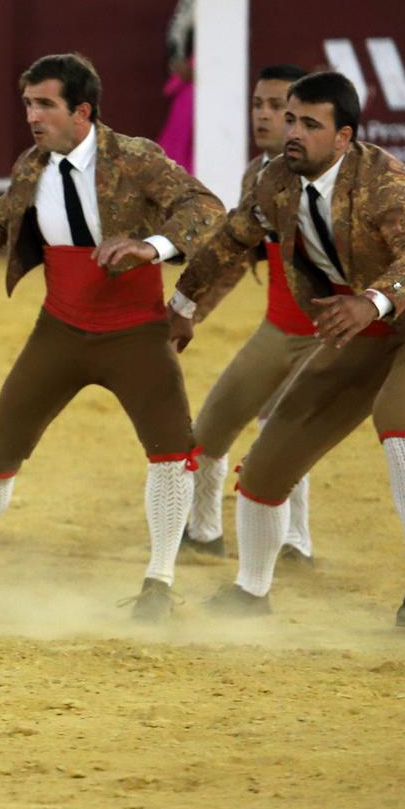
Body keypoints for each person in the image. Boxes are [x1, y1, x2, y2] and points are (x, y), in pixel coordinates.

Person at [0, 54, 223, 622]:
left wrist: (153, 247)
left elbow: (205, 208)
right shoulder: (32, 166)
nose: (32, 115)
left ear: (82, 111)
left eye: (44, 104)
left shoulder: (135, 157)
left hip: (135, 331)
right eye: (27, 103)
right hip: (61, 329)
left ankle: (159, 582)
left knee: (170, 451)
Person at [169, 72, 405, 629]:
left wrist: (372, 300)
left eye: (310, 124)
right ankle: (251, 591)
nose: (293, 132)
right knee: (267, 461)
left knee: (398, 413)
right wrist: (183, 302)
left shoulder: (382, 178)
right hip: (363, 327)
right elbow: (231, 238)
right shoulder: (276, 181)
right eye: (291, 119)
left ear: (343, 138)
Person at [180, 66, 318, 564]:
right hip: (280, 326)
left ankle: (294, 539)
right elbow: (235, 256)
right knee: (216, 427)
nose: (263, 115)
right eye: (258, 104)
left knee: (281, 428)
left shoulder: (328, 175)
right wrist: (192, 311)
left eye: (277, 106)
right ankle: (204, 530)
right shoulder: (256, 173)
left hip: (327, 328)